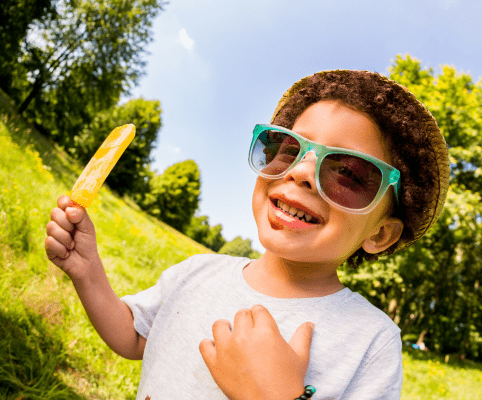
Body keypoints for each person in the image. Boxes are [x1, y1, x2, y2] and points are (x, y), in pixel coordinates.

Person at [45, 70, 450, 400]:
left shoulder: (370, 342)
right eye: (289, 148)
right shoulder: (197, 272)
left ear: (380, 233)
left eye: (348, 173)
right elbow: (135, 337)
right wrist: (88, 270)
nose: (301, 172)